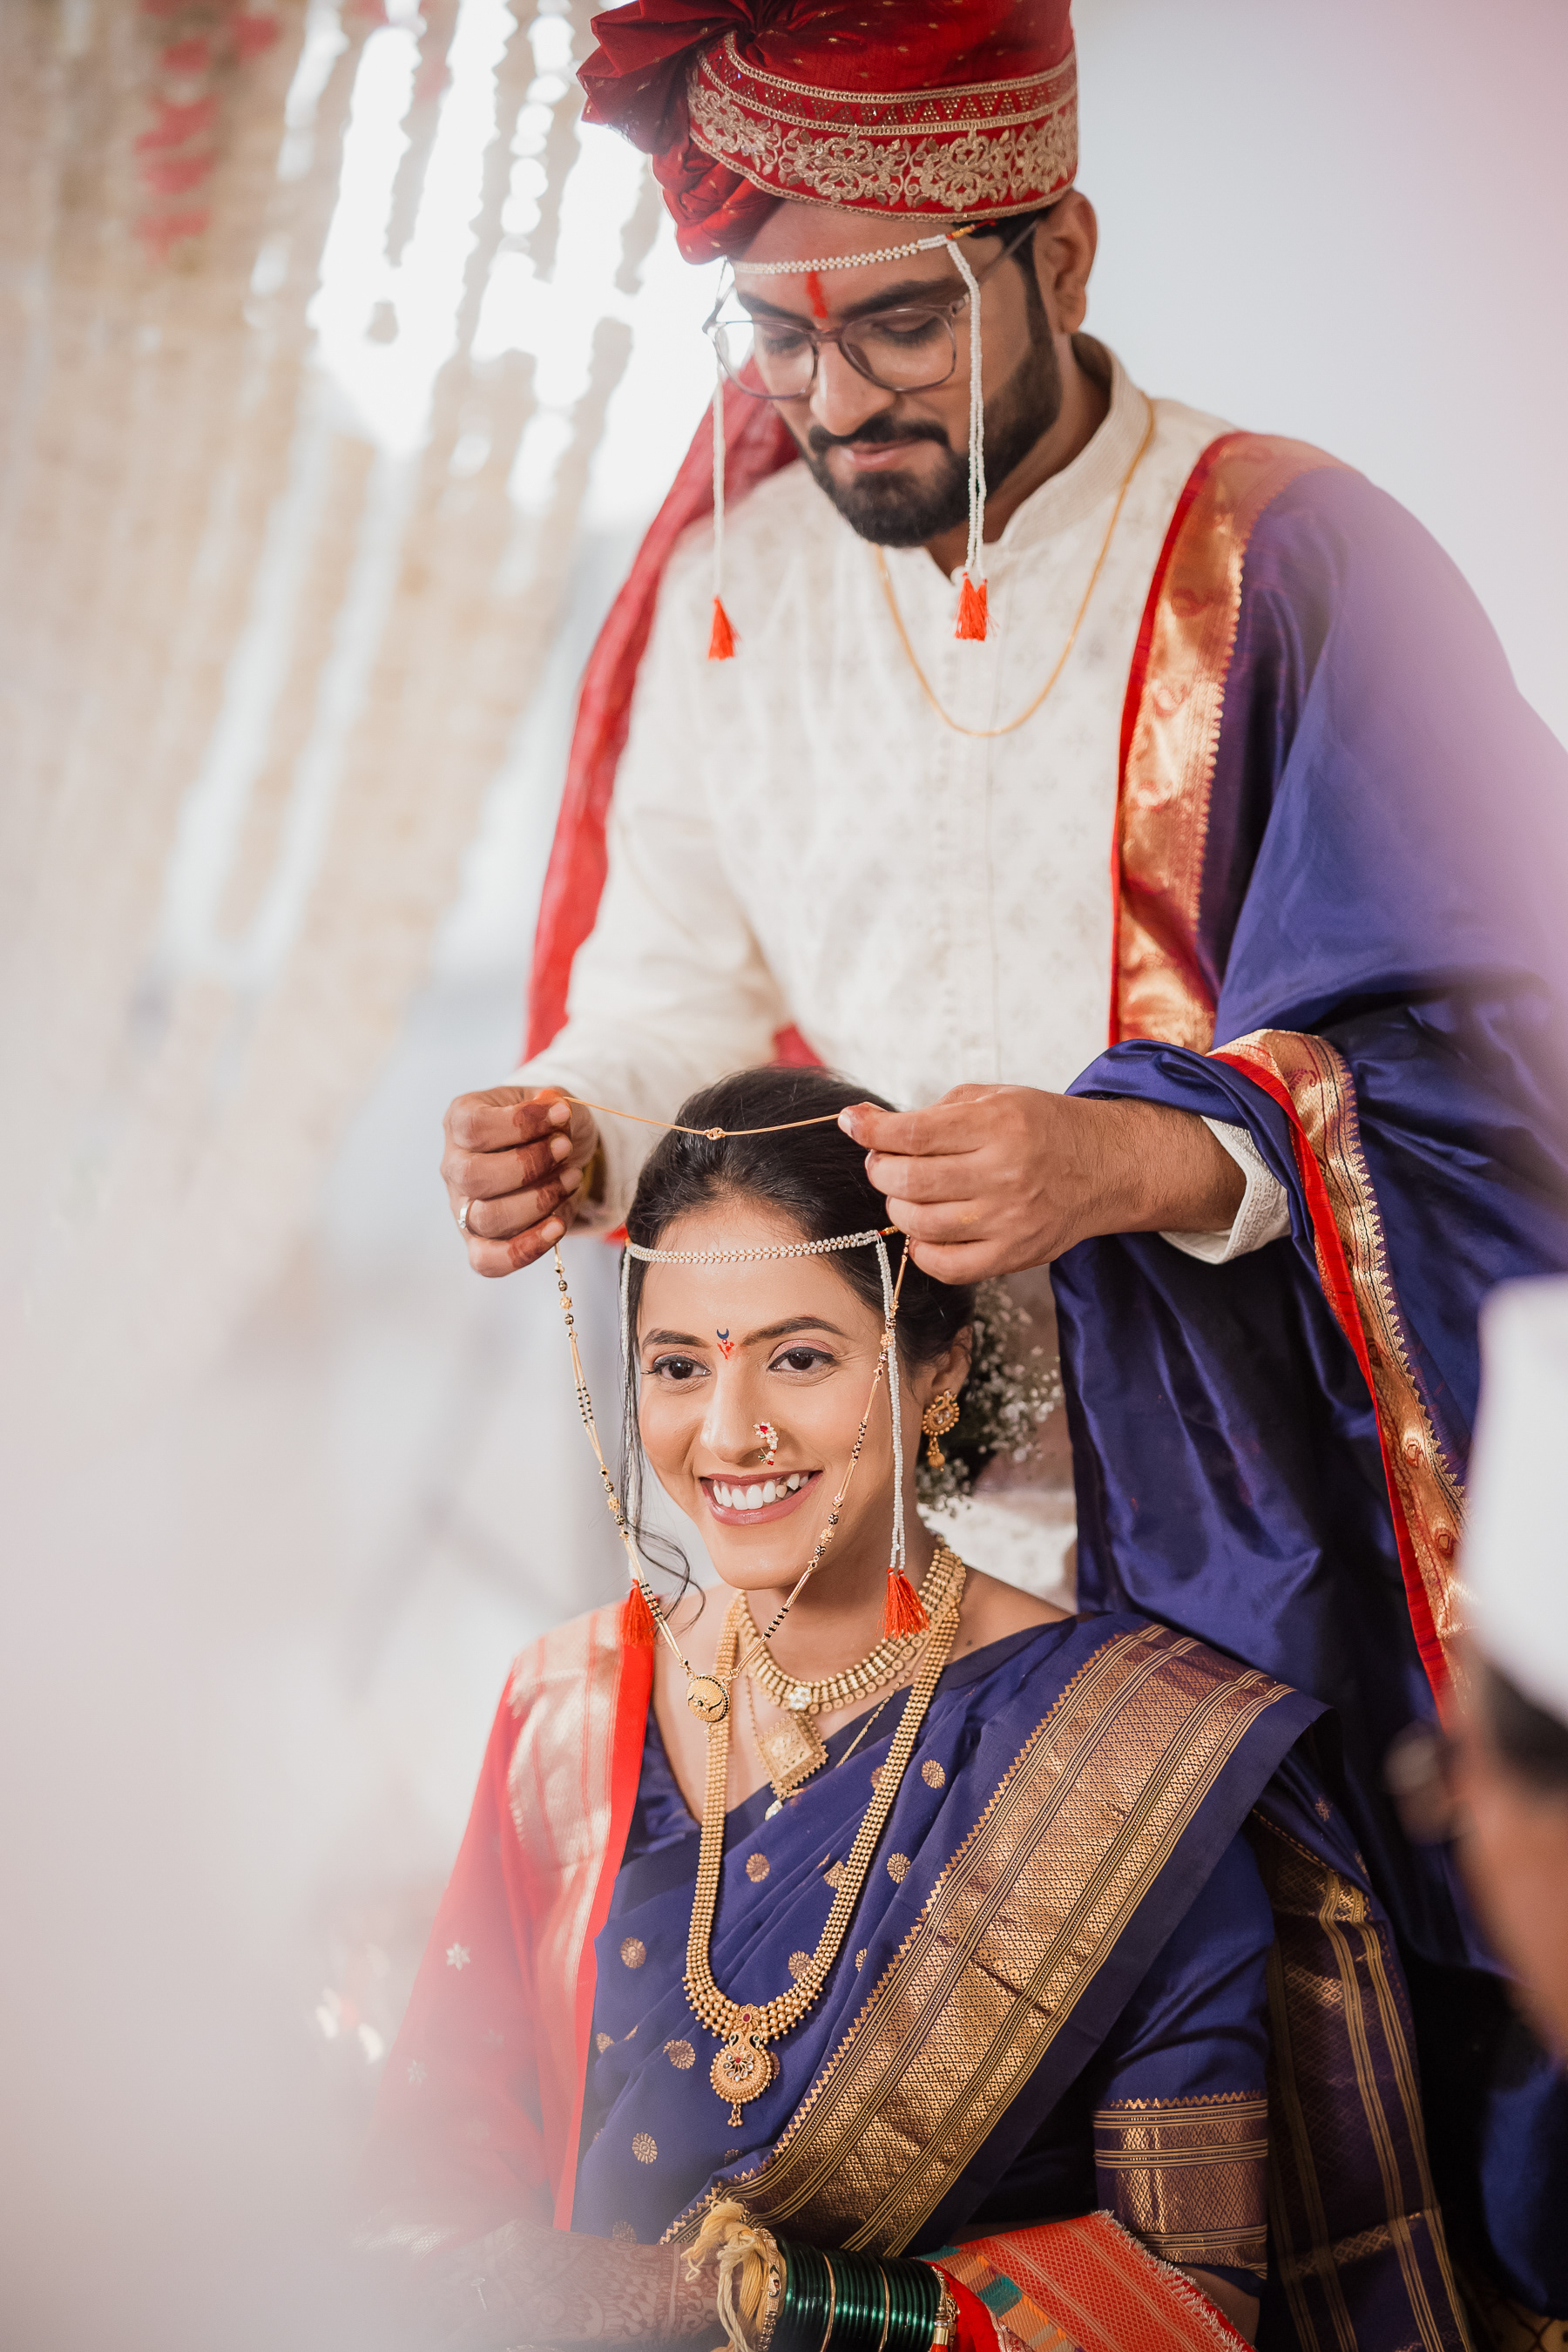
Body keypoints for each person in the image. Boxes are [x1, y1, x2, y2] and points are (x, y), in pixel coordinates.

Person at [435, 0, 1568, 2314]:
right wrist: (577, 1115)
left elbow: (1492, 1039)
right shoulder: (738, 585)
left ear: (1061, 251)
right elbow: (674, 983)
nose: (834, 395)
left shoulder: (1296, 559)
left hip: (1261, 1508)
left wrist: (1129, 1160)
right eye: (778, 339)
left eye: (896, 323)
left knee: (1301, 2134)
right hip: (888, 1517)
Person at [365, 1068, 1466, 2352]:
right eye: (677, 1366)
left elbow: (1182, 2302)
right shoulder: (569, 1710)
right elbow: (427, 2186)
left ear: (937, 1372)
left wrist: (770, 2308)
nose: (730, 1432)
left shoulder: (1124, 1753)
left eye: (800, 1358)